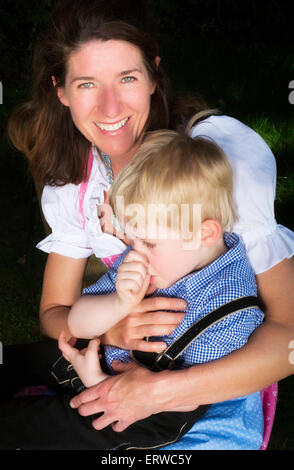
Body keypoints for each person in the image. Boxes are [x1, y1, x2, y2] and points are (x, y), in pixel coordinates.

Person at [1, 0, 294, 450]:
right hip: (114, 361)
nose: (110, 106)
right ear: (60, 90)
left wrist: (159, 392)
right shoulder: (78, 184)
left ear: (154, 75)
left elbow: (290, 333)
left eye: (127, 78)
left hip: (212, 378)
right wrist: (110, 327)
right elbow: (53, 316)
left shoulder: (215, 161)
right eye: (86, 84)